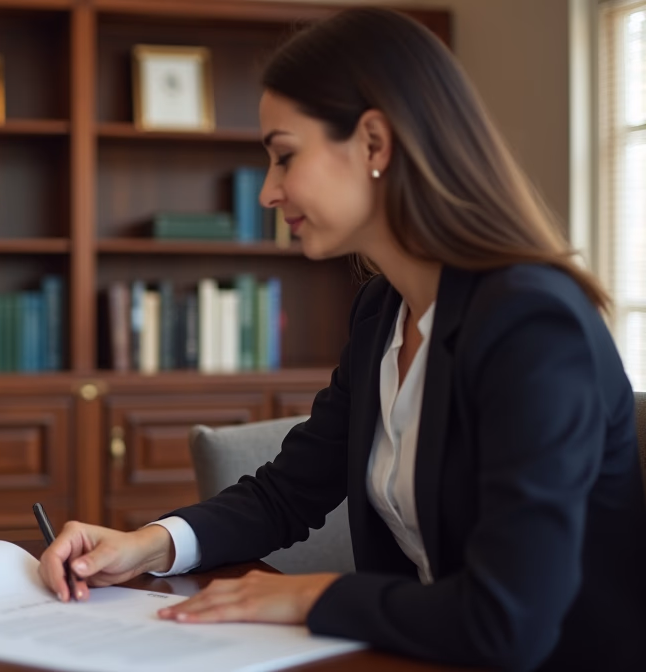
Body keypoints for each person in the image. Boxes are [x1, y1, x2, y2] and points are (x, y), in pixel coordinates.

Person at [39, 8, 646, 671]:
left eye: (285, 155)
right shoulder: (384, 309)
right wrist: (149, 544)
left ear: (375, 144)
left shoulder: (532, 323)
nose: (269, 191)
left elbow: (510, 622)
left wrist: (307, 594)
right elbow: (288, 492)